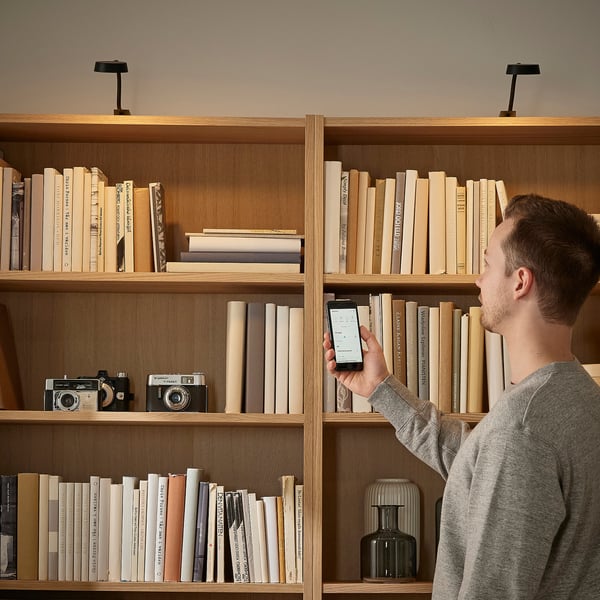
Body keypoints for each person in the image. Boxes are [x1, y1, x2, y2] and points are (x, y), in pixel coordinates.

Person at [324, 194, 600, 599]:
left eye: (488, 264)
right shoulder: (577, 397)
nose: (478, 279)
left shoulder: (522, 430)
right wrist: (380, 388)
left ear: (521, 281)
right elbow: (478, 465)